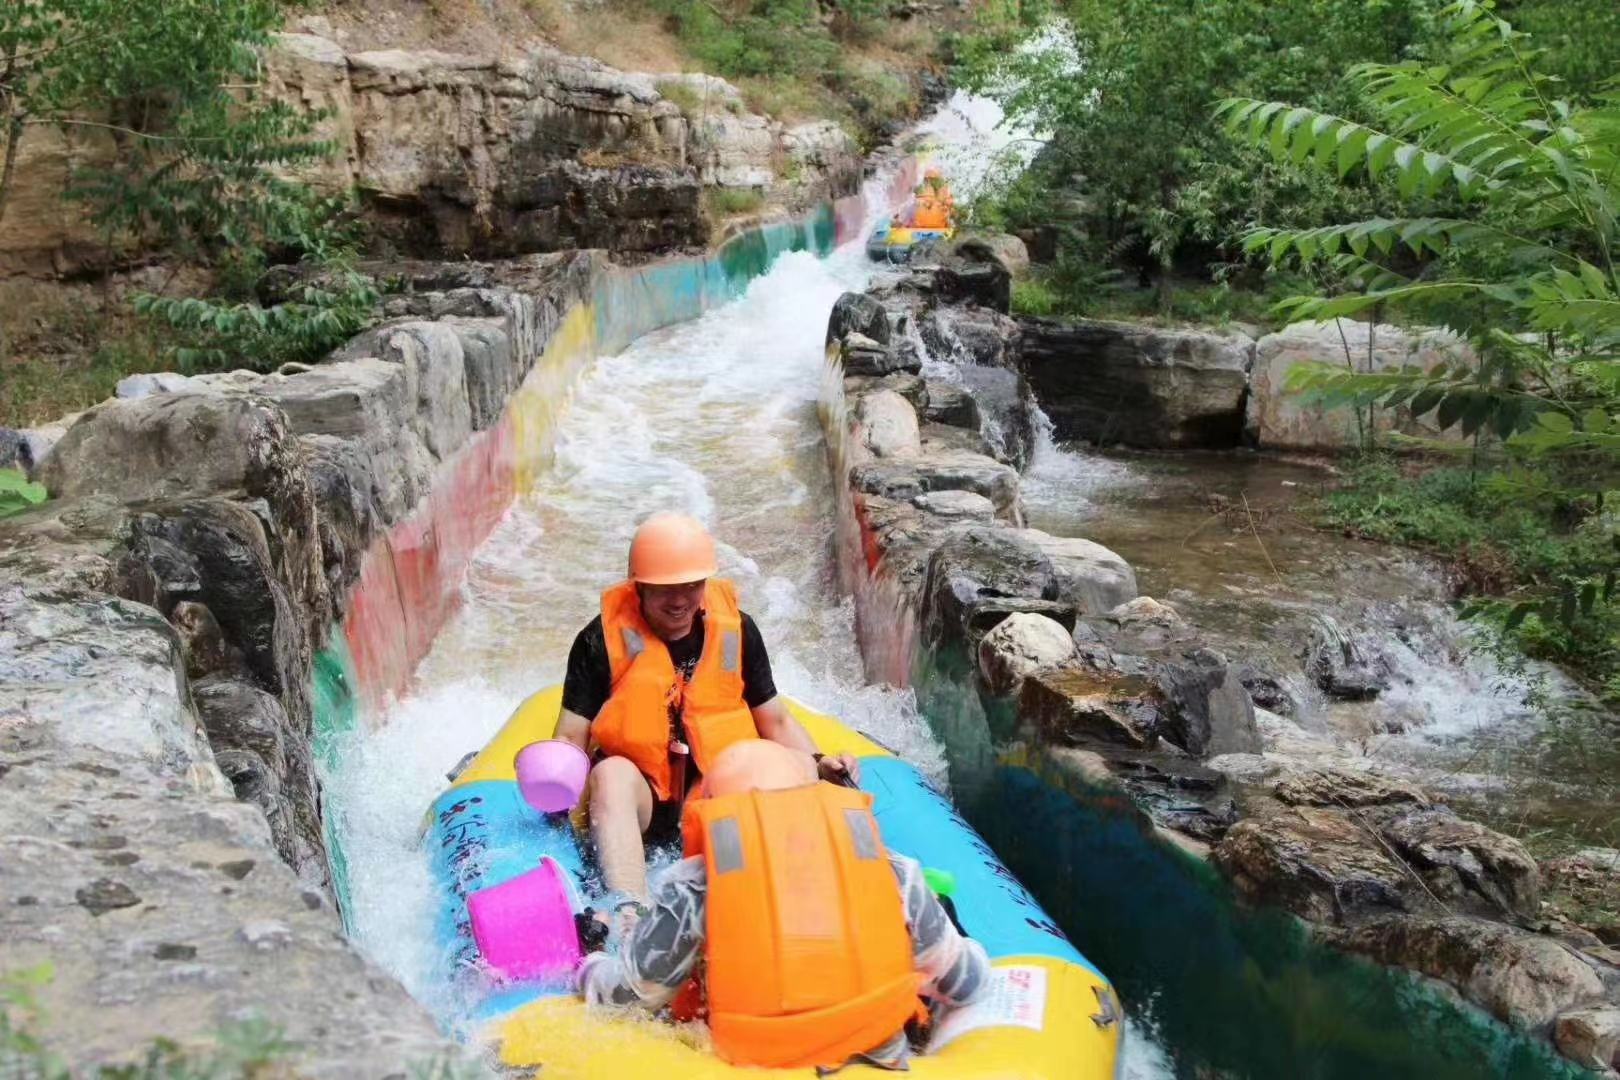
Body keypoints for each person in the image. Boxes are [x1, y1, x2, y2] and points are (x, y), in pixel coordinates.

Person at [578, 740, 991, 1072]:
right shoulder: (895, 870)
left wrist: (591, 960)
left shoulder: (695, 885)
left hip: (749, 1063)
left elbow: (627, 997)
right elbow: (967, 981)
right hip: (877, 1060)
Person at [555, 512, 861, 912]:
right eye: (666, 589)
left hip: (713, 792)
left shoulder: (738, 631)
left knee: (764, 764)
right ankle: (630, 913)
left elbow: (776, 722)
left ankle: (779, 898)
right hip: (640, 797)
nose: (680, 600)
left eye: (692, 585)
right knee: (610, 774)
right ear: (639, 586)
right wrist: (559, 805)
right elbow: (569, 737)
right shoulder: (599, 641)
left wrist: (819, 765)